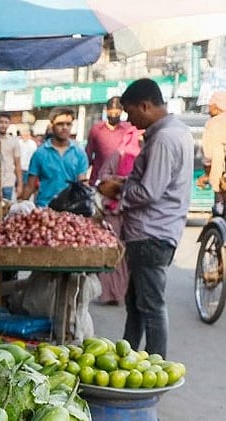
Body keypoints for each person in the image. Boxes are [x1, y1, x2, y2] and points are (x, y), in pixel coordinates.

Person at [96, 78, 193, 358]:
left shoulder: (164, 138)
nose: (128, 119)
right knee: (137, 303)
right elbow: (156, 182)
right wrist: (124, 182)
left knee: (150, 306)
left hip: (151, 232)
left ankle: (156, 365)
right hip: (155, 230)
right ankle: (127, 355)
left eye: (129, 111)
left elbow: (150, 191)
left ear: (145, 106)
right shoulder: (176, 132)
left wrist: (118, 190)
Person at [94, 128, 142, 305]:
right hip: (114, 210)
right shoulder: (119, 154)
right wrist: (120, 181)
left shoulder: (147, 156)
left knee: (128, 256)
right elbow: (103, 177)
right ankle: (108, 294)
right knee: (113, 251)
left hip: (135, 212)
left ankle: (122, 293)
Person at [20, 107, 89, 207]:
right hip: (45, 208)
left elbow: (82, 184)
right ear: (52, 125)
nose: (64, 127)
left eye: (68, 124)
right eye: (60, 124)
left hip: (71, 209)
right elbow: (30, 186)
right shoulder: (40, 153)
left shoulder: (79, 153)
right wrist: (20, 206)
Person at [85, 96, 137, 185]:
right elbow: (88, 155)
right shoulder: (96, 130)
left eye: (116, 113)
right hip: (98, 179)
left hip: (120, 181)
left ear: (121, 111)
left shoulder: (128, 130)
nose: (113, 115)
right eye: (111, 112)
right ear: (106, 110)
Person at [197, 90, 226, 211]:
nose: (209, 109)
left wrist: (208, 175)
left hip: (221, 178)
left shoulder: (213, 124)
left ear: (218, 106)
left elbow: (208, 156)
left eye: (211, 105)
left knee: (220, 210)